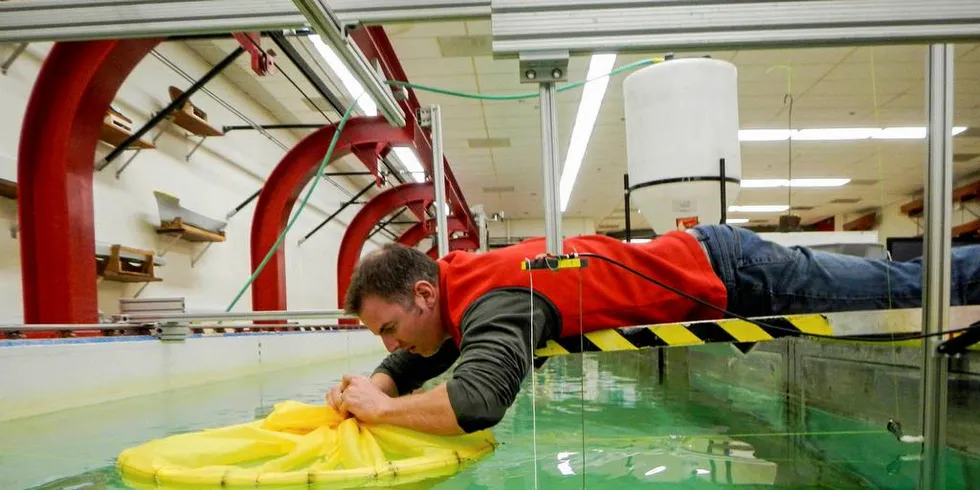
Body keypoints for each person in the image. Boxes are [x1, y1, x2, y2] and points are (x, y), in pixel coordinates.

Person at [327, 224, 980, 436]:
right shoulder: (459, 283)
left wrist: (383, 412)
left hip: (729, 273)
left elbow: (477, 400)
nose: (389, 345)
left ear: (422, 292)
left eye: (387, 330)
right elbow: (427, 349)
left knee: (906, 291)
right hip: (711, 262)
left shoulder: (497, 299)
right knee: (897, 294)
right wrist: (377, 381)